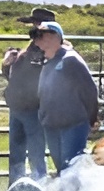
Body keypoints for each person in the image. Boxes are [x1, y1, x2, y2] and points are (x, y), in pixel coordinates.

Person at [33, 21, 99, 175]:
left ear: (56, 36)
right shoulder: (47, 62)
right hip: (52, 125)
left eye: (41, 35)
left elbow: (89, 90)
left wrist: (92, 118)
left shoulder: (70, 60)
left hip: (73, 124)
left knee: (71, 170)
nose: (37, 39)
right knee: (62, 171)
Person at [1, 7, 56, 184]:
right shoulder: (32, 49)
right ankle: (19, 189)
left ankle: (37, 190)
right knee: (22, 154)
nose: (34, 28)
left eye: (37, 24)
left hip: (34, 108)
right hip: (20, 106)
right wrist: (7, 64)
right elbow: (16, 76)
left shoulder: (53, 49)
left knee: (35, 154)